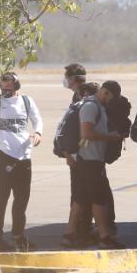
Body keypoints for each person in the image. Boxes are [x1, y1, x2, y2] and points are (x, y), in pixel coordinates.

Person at [0, 72, 43, 251]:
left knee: (22, 198)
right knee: (1, 196)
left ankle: (18, 235)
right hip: (4, 154)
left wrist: (38, 133)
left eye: (9, 88)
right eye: (3, 88)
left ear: (17, 86)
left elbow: (37, 120)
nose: (5, 91)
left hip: (24, 155)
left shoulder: (26, 101)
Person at [75, 81, 126, 249]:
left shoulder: (98, 106)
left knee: (82, 198)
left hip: (93, 159)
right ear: (105, 92)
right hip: (89, 160)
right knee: (98, 199)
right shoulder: (91, 107)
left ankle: (70, 234)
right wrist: (110, 137)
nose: (110, 101)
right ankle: (104, 236)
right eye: (111, 97)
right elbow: (86, 133)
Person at [59, 63, 94, 248]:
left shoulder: (84, 95)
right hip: (81, 153)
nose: (65, 79)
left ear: (73, 78)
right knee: (83, 193)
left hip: (83, 153)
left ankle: (81, 230)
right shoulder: (80, 94)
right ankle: (83, 229)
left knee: (81, 194)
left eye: (67, 76)